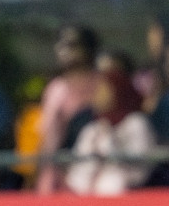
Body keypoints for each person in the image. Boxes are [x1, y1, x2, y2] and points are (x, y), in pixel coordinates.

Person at [66, 66, 154, 196]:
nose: (98, 95)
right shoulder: (93, 128)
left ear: (117, 91)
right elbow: (76, 174)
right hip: (89, 199)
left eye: (104, 90)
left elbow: (140, 172)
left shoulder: (135, 123)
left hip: (127, 198)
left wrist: (113, 148)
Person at [36, 25, 100, 194]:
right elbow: (49, 139)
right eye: (60, 45)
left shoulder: (102, 84)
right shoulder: (57, 88)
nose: (62, 51)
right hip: (62, 174)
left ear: (88, 49)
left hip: (98, 172)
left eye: (71, 45)